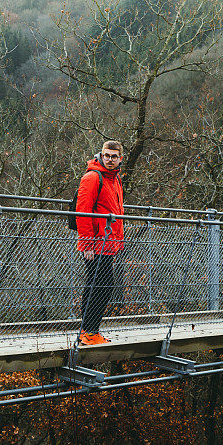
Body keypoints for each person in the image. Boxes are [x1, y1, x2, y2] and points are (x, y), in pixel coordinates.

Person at [75, 140, 125, 345]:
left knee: (98, 285)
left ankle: (89, 331)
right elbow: (83, 211)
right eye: (107, 155)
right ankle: (89, 332)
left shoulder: (115, 179)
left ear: (120, 158)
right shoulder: (92, 177)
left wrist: (118, 241)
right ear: (101, 155)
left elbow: (117, 211)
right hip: (95, 244)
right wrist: (87, 244)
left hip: (108, 243)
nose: (110, 160)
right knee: (101, 286)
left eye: (114, 156)